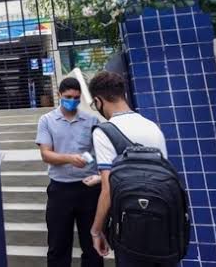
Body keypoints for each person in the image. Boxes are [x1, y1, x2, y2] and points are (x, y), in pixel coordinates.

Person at [88, 71, 172, 267]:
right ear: (122, 94)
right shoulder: (152, 126)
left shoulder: (104, 131)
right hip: (163, 222)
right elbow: (156, 172)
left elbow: (109, 190)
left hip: (130, 224)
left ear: (98, 101)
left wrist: (96, 230)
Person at [35, 77, 104, 267]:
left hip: (88, 189)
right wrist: (70, 158)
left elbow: (98, 151)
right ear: (59, 95)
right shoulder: (47, 120)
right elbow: (46, 154)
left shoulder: (91, 120)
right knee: (58, 245)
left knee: (92, 246)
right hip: (60, 191)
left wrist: (93, 167)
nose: (72, 101)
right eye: (68, 97)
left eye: (76, 97)